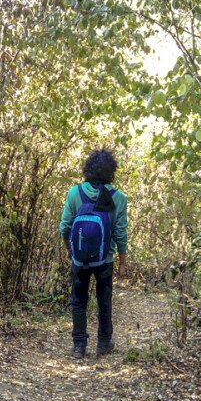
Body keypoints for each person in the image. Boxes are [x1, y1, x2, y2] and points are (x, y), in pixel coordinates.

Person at [58, 149, 128, 359]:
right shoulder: (118, 197)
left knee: (79, 300)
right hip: (104, 259)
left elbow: (64, 227)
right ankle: (104, 343)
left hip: (79, 259)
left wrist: (71, 251)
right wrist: (122, 263)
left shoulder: (74, 193)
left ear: (87, 169)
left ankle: (79, 346)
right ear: (111, 172)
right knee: (104, 299)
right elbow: (120, 233)